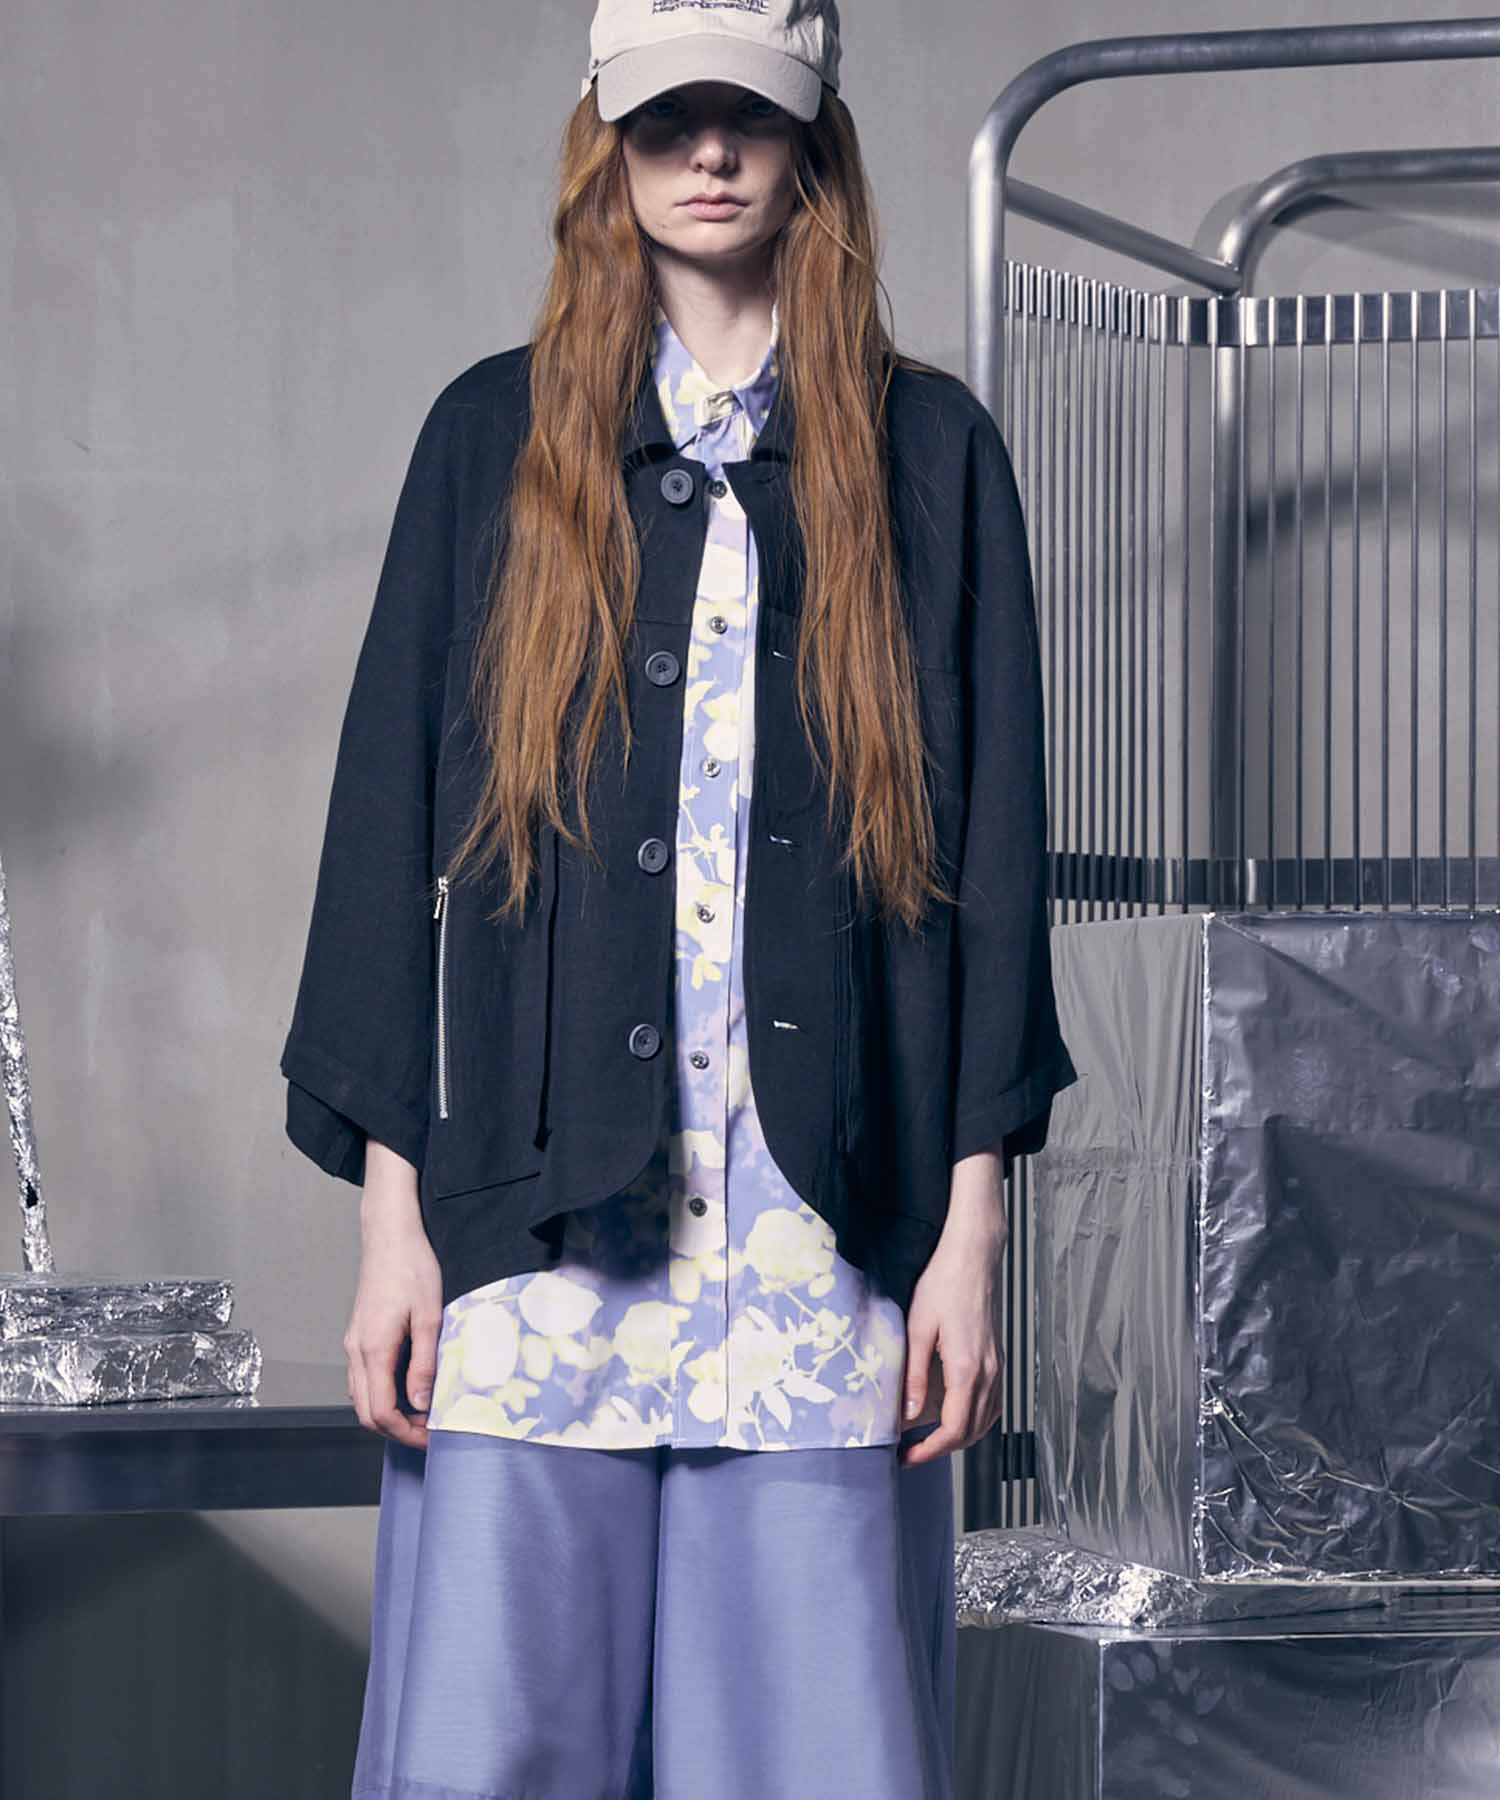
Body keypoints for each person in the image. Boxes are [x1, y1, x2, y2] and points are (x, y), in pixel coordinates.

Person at [278, 3, 1078, 1795]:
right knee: (494, 1758)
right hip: (535, 1253)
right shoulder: (489, 442)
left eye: (749, 117)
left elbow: (995, 881)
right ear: (605, 143)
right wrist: (394, 1227)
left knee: (818, 1764)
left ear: (815, 140)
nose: (710, 155)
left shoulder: (933, 459)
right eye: (666, 121)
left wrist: (968, 1243)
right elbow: (385, 838)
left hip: (820, 1253)